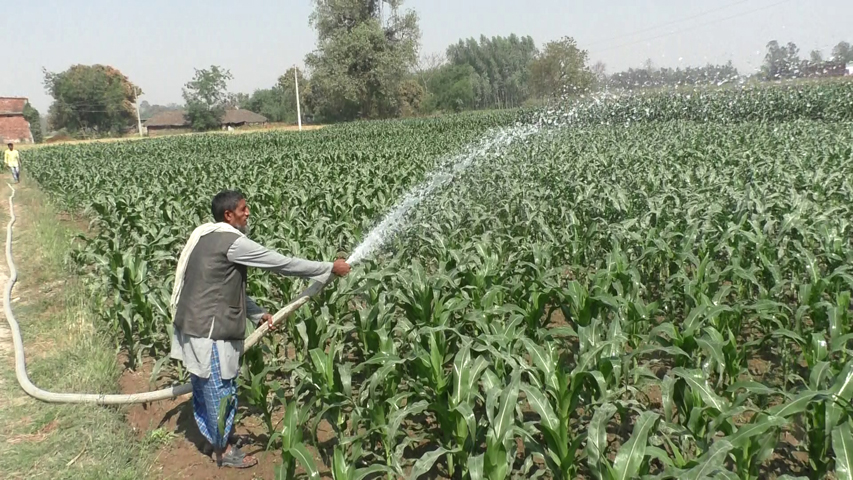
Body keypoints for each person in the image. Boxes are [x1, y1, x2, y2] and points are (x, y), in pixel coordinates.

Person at [169, 189, 351, 468]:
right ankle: (224, 451)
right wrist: (328, 267)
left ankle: (217, 439)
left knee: (208, 389)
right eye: (243, 209)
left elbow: (220, 285)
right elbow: (281, 264)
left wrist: (254, 313)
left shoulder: (207, 237)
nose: (248, 213)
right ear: (228, 215)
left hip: (195, 325)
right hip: (208, 331)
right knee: (220, 391)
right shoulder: (232, 242)